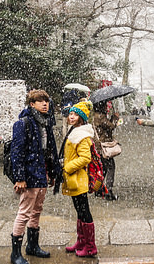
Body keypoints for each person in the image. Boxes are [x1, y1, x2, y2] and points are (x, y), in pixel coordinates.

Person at [9, 89, 59, 264]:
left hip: (42, 172)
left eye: (46, 100)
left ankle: (32, 246)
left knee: (36, 211)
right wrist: (19, 177)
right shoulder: (23, 123)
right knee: (24, 212)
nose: (45, 104)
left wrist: (52, 173)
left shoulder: (46, 122)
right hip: (30, 173)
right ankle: (15, 253)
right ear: (32, 104)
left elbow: (50, 151)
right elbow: (17, 152)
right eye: (40, 101)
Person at [62, 100, 98, 257]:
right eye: (71, 113)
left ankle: (90, 247)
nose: (71, 116)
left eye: (75, 114)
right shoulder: (75, 131)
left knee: (84, 211)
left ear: (82, 118)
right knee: (79, 210)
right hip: (74, 178)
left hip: (79, 178)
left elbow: (85, 158)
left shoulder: (81, 136)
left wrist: (68, 167)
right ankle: (81, 241)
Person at [92, 101, 119, 201]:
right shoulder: (100, 116)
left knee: (103, 168)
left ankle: (99, 189)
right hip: (104, 146)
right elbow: (111, 126)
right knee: (111, 167)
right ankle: (108, 191)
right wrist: (115, 117)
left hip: (100, 145)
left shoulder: (97, 115)